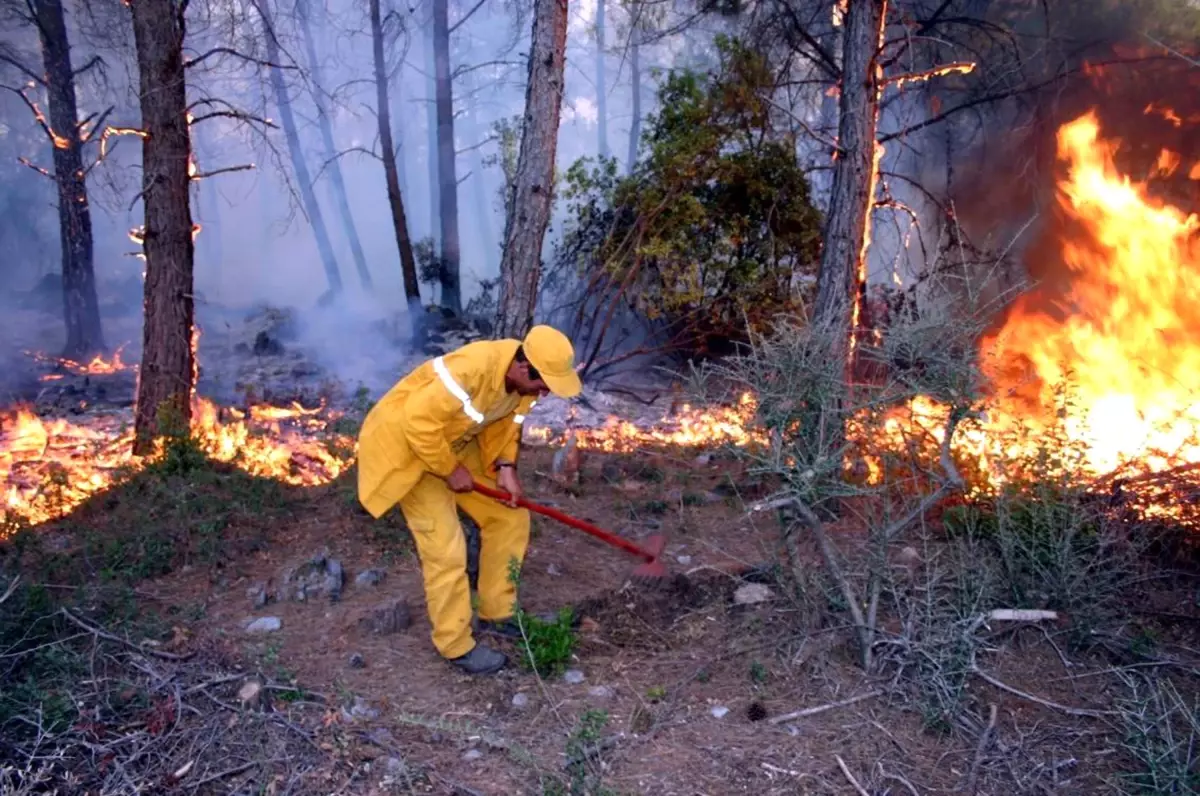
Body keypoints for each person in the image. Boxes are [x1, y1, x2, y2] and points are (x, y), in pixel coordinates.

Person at [356, 325, 582, 675]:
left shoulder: (522, 383)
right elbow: (417, 423)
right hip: (410, 452)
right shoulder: (471, 369)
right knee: (446, 548)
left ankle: (498, 612)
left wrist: (506, 465)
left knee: (509, 517)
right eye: (543, 384)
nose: (546, 392)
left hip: (455, 445)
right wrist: (449, 470)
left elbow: (508, 421)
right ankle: (454, 644)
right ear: (523, 368)